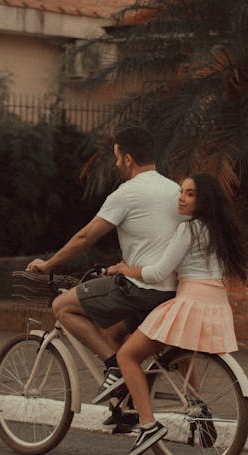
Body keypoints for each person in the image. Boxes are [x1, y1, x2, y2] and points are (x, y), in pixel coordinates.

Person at [26, 126, 186, 403]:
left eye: (116, 157)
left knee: (61, 306)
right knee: (110, 334)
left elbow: (86, 236)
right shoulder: (175, 190)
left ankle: (114, 366)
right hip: (170, 289)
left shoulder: (127, 193)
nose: (115, 163)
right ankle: (124, 409)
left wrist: (49, 264)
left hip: (139, 289)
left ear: (127, 159)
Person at [106, 173, 248, 455]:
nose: (181, 197)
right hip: (215, 307)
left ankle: (148, 425)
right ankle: (196, 406)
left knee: (127, 355)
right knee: (176, 355)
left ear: (203, 200)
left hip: (190, 303)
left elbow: (158, 273)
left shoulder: (189, 230)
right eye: (182, 192)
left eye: (190, 193)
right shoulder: (220, 232)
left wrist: (125, 270)